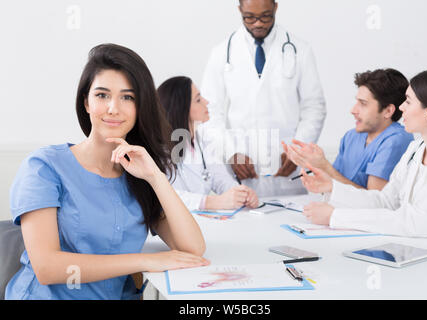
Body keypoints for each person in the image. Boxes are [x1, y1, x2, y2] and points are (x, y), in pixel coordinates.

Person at [6, 44, 209, 300]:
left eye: (128, 97)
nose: (114, 108)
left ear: (139, 107)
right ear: (86, 102)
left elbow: (193, 249)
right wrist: (142, 261)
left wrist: (155, 177)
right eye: (102, 95)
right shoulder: (44, 167)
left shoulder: (138, 176)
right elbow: (47, 268)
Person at [299, 67, 427, 238]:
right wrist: (334, 188)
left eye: (408, 101)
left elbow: (414, 222)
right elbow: (386, 201)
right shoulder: (415, 149)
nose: (401, 107)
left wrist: (336, 217)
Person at [200, 0, 326, 196]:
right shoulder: (221, 53)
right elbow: (209, 112)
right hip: (242, 169)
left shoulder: (300, 50)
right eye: (249, 17)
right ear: (239, 10)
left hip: (287, 168)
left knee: (289, 220)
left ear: (276, 8)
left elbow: (314, 107)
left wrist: (298, 150)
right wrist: (230, 152)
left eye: (265, 16)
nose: (258, 23)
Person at [283, 69, 414, 190]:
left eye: (363, 104)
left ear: (388, 111)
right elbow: (334, 182)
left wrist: (324, 166)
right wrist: (314, 164)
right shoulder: (351, 137)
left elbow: (375, 202)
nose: (353, 110)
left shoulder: (397, 141)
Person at [157, 76, 259, 211]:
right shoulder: (160, 149)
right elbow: (164, 197)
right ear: (181, 108)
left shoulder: (202, 141)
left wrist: (242, 193)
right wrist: (211, 202)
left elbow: (220, 177)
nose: (206, 102)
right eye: (198, 100)